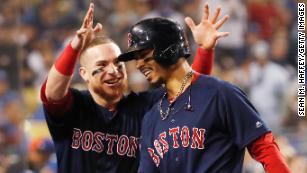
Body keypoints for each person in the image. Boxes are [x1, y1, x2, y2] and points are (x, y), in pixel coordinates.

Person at [40, 3, 229, 173]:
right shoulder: (75, 106)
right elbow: (52, 93)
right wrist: (75, 46)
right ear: (84, 74)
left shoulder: (146, 107)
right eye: (102, 65)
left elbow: (188, 90)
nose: (113, 71)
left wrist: (204, 49)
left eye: (118, 64)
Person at [118, 4, 291, 173]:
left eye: (144, 56)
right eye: (136, 58)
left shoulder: (221, 94)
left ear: (169, 51)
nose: (139, 65)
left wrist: (205, 52)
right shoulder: (152, 117)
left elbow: (265, 148)